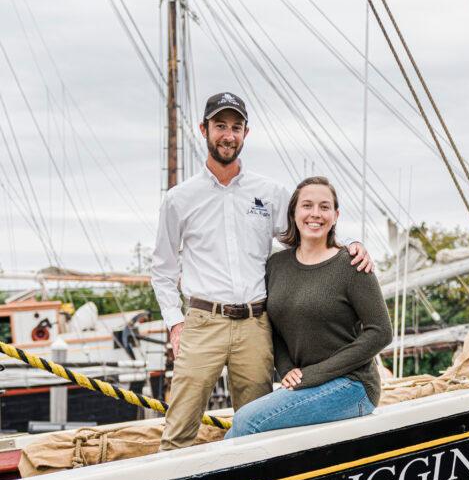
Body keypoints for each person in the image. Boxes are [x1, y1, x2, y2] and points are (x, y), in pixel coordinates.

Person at [151, 92, 372, 451]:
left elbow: (309, 228)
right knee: (178, 432)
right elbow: (162, 269)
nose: (228, 135)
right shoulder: (180, 198)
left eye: (236, 127)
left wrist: (351, 246)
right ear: (203, 129)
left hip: (255, 326)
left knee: (257, 430)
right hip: (203, 322)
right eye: (220, 126)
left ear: (245, 134)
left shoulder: (269, 193)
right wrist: (175, 322)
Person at [226, 176, 392, 439]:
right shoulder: (276, 265)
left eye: (324, 207)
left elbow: (381, 332)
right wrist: (286, 368)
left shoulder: (352, 265)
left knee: (246, 420)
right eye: (307, 205)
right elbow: (273, 326)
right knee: (241, 426)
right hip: (305, 384)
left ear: (335, 215)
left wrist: (312, 375)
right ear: (293, 212)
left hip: (352, 386)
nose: (315, 214)